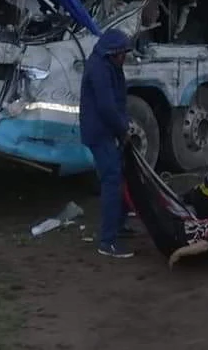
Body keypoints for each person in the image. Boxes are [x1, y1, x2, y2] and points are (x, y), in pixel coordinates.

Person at [80, 28, 136, 259]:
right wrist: (122, 130)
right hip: (99, 133)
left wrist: (124, 125)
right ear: (112, 53)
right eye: (122, 53)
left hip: (107, 130)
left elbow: (118, 101)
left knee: (121, 175)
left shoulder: (110, 65)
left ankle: (118, 225)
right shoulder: (99, 70)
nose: (125, 58)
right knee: (112, 179)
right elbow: (106, 106)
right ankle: (107, 241)